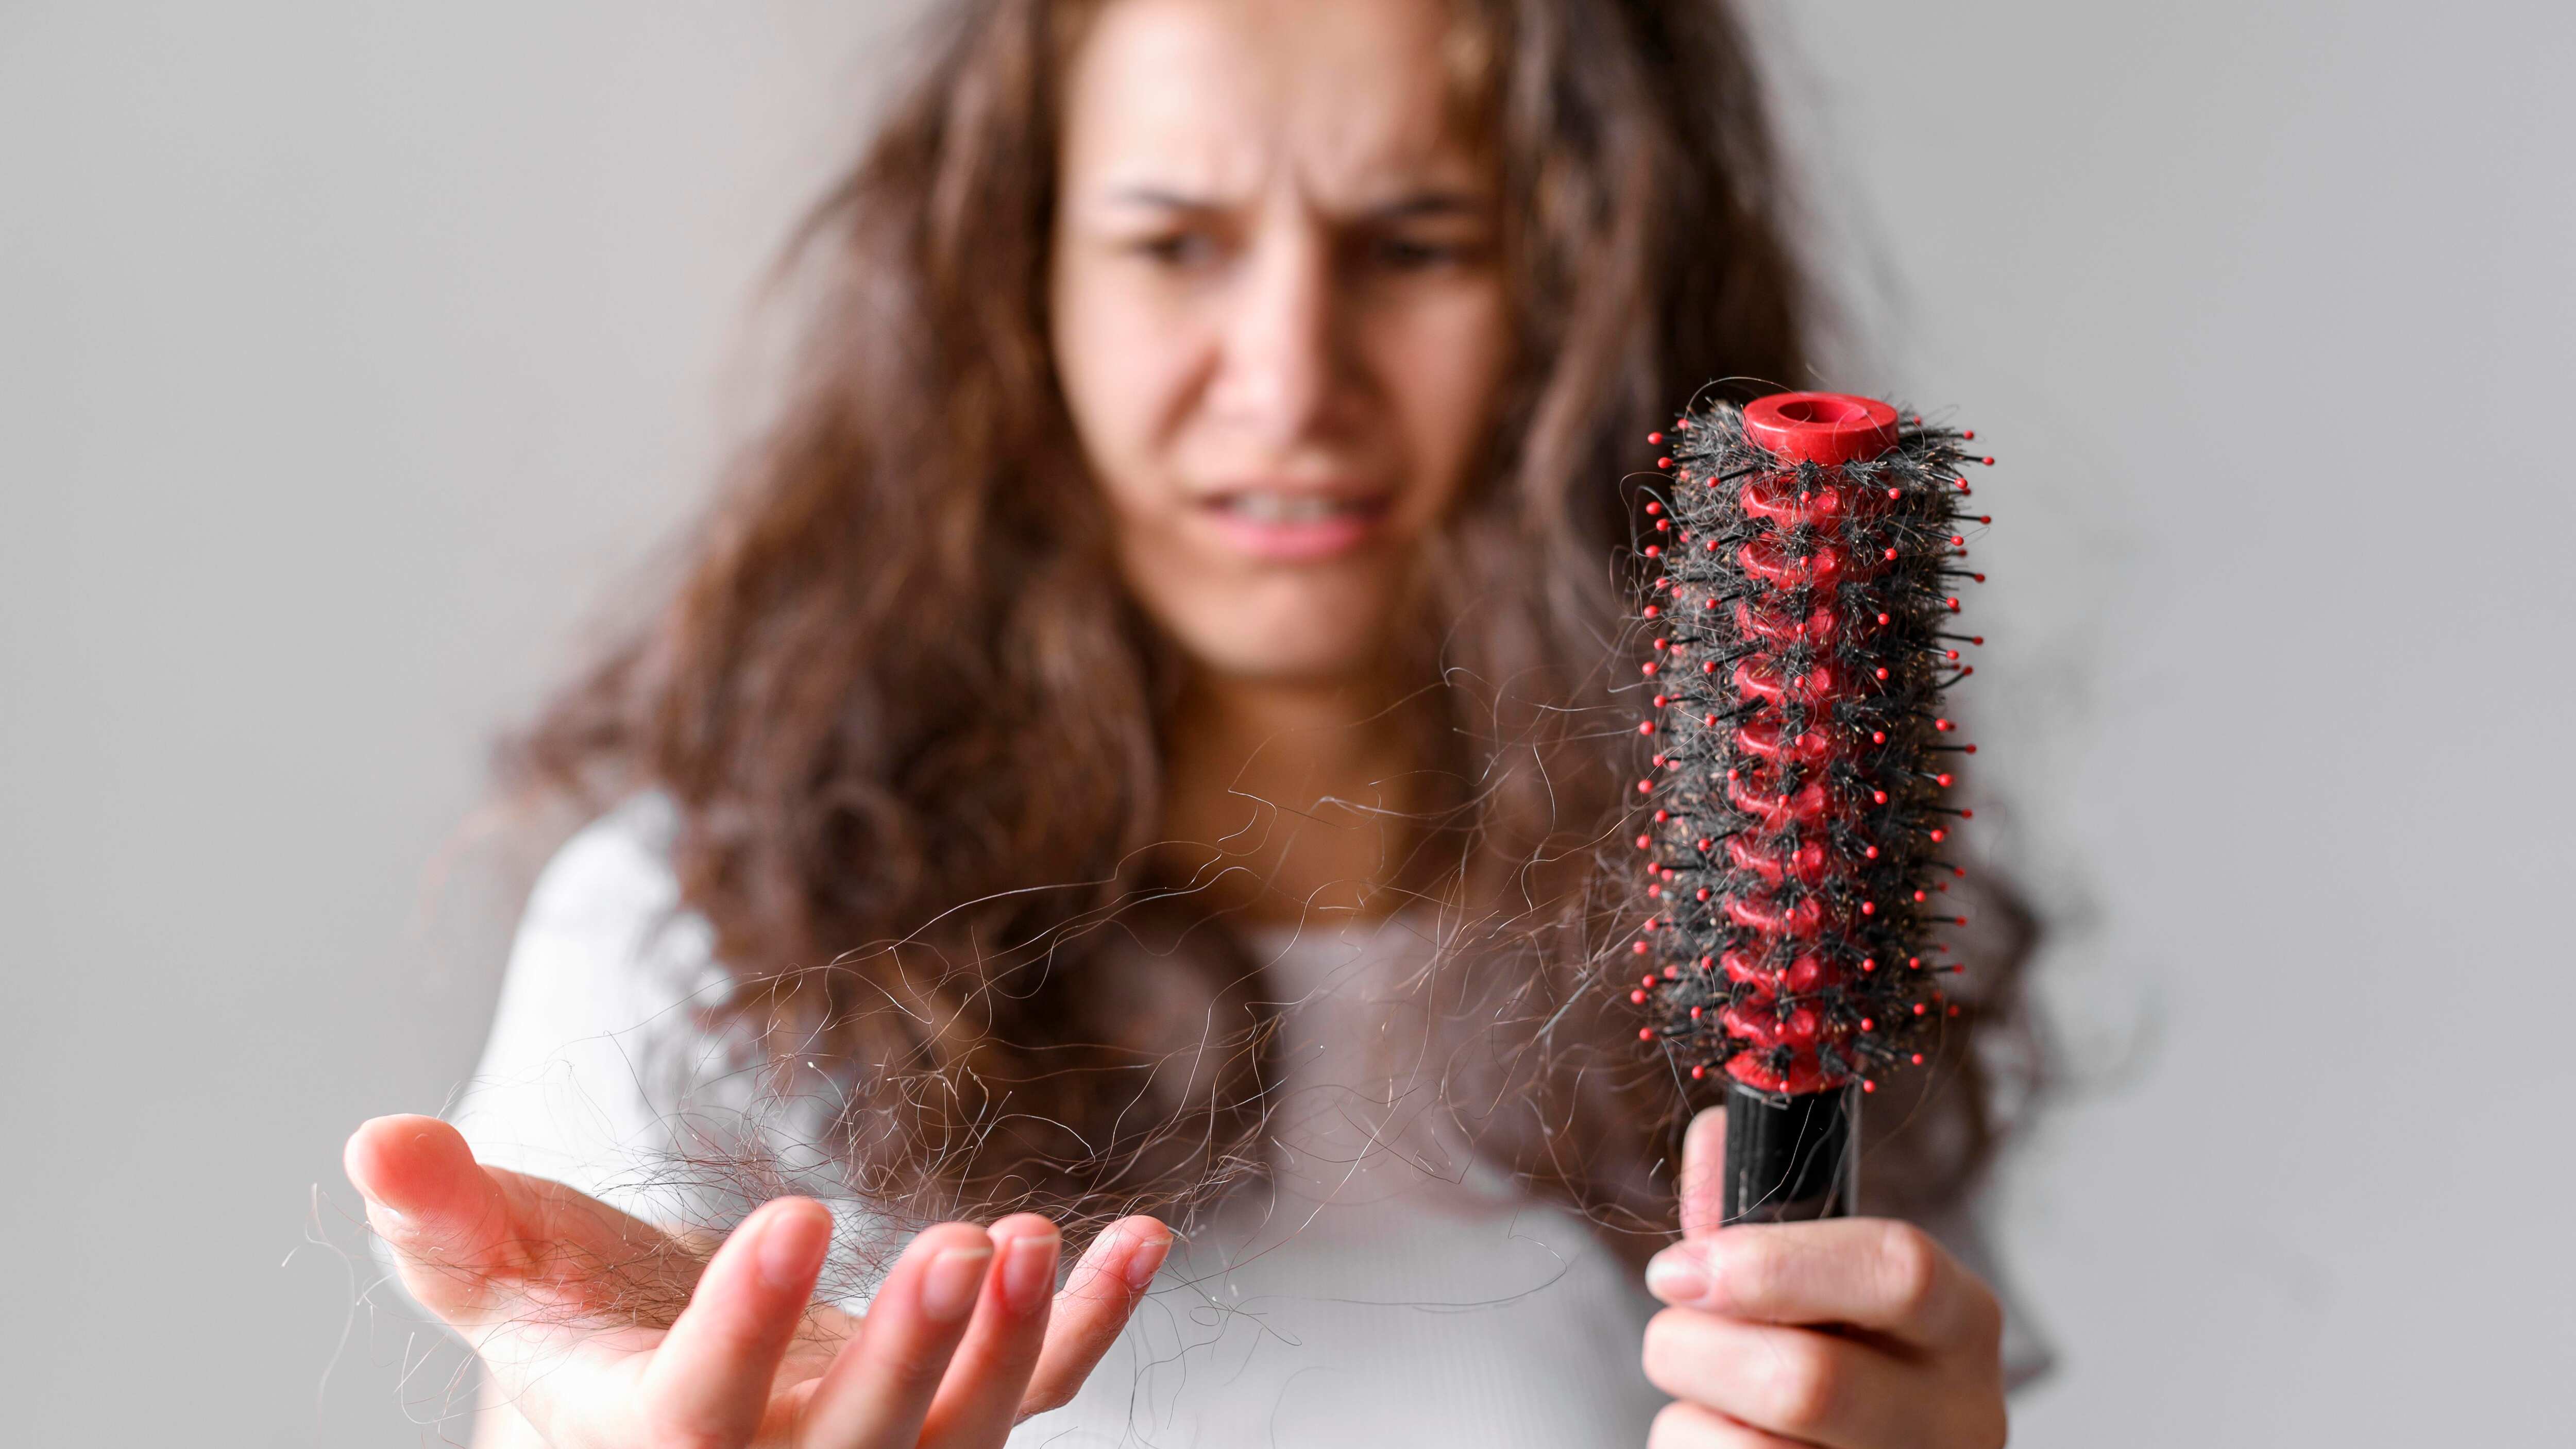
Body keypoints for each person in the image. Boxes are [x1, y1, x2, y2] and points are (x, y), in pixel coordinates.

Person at [345, 1, 2044, 1444]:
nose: (1292, 375)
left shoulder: (1785, 936)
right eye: (1175, 246)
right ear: (1022, 290)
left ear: (1588, 292)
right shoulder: (691, 943)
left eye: (1415, 245)